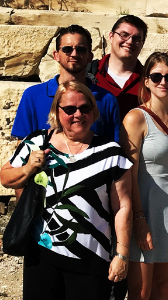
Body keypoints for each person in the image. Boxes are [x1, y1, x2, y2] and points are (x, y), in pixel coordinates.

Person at [1, 81, 132, 300]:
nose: (78, 114)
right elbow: (5, 177)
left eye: (85, 108)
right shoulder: (38, 142)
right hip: (42, 254)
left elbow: (123, 207)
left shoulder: (112, 154)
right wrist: (28, 167)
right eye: (69, 109)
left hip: (91, 257)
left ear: (93, 111)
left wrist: (122, 254)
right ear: (56, 112)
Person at [122, 52, 168, 300]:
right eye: (157, 76)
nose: (163, 82)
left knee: (164, 286)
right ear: (146, 81)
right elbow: (128, 174)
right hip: (147, 206)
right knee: (140, 291)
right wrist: (139, 219)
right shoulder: (135, 118)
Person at [12, 24, 120, 142]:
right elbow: (22, 144)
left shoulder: (107, 99)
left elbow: (114, 147)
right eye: (67, 49)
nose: (74, 54)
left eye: (81, 49)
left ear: (90, 57)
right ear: (56, 55)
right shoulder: (33, 96)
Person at [94, 15, 148, 116]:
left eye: (136, 38)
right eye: (124, 35)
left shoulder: (151, 80)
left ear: (142, 44)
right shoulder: (89, 73)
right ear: (111, 36)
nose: (129, 41)